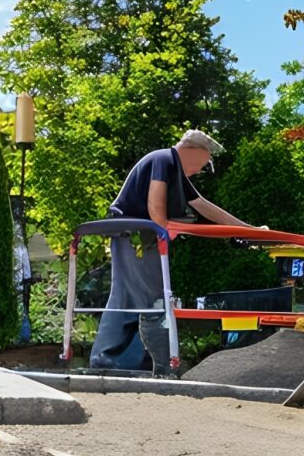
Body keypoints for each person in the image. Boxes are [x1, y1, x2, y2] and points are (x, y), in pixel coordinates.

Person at [90, 128, 260, 371]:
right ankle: (122, 360)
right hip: (134, 233)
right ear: (194, 153)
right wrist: (174, 227)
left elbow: (202, 204)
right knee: (145, 297)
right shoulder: (164, 160)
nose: (200, 170)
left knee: (141, 295)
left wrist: (247, 229)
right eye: (203, 162)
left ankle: (133, 360)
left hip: (142, 234)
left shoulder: (175, 170)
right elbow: (157, 212)